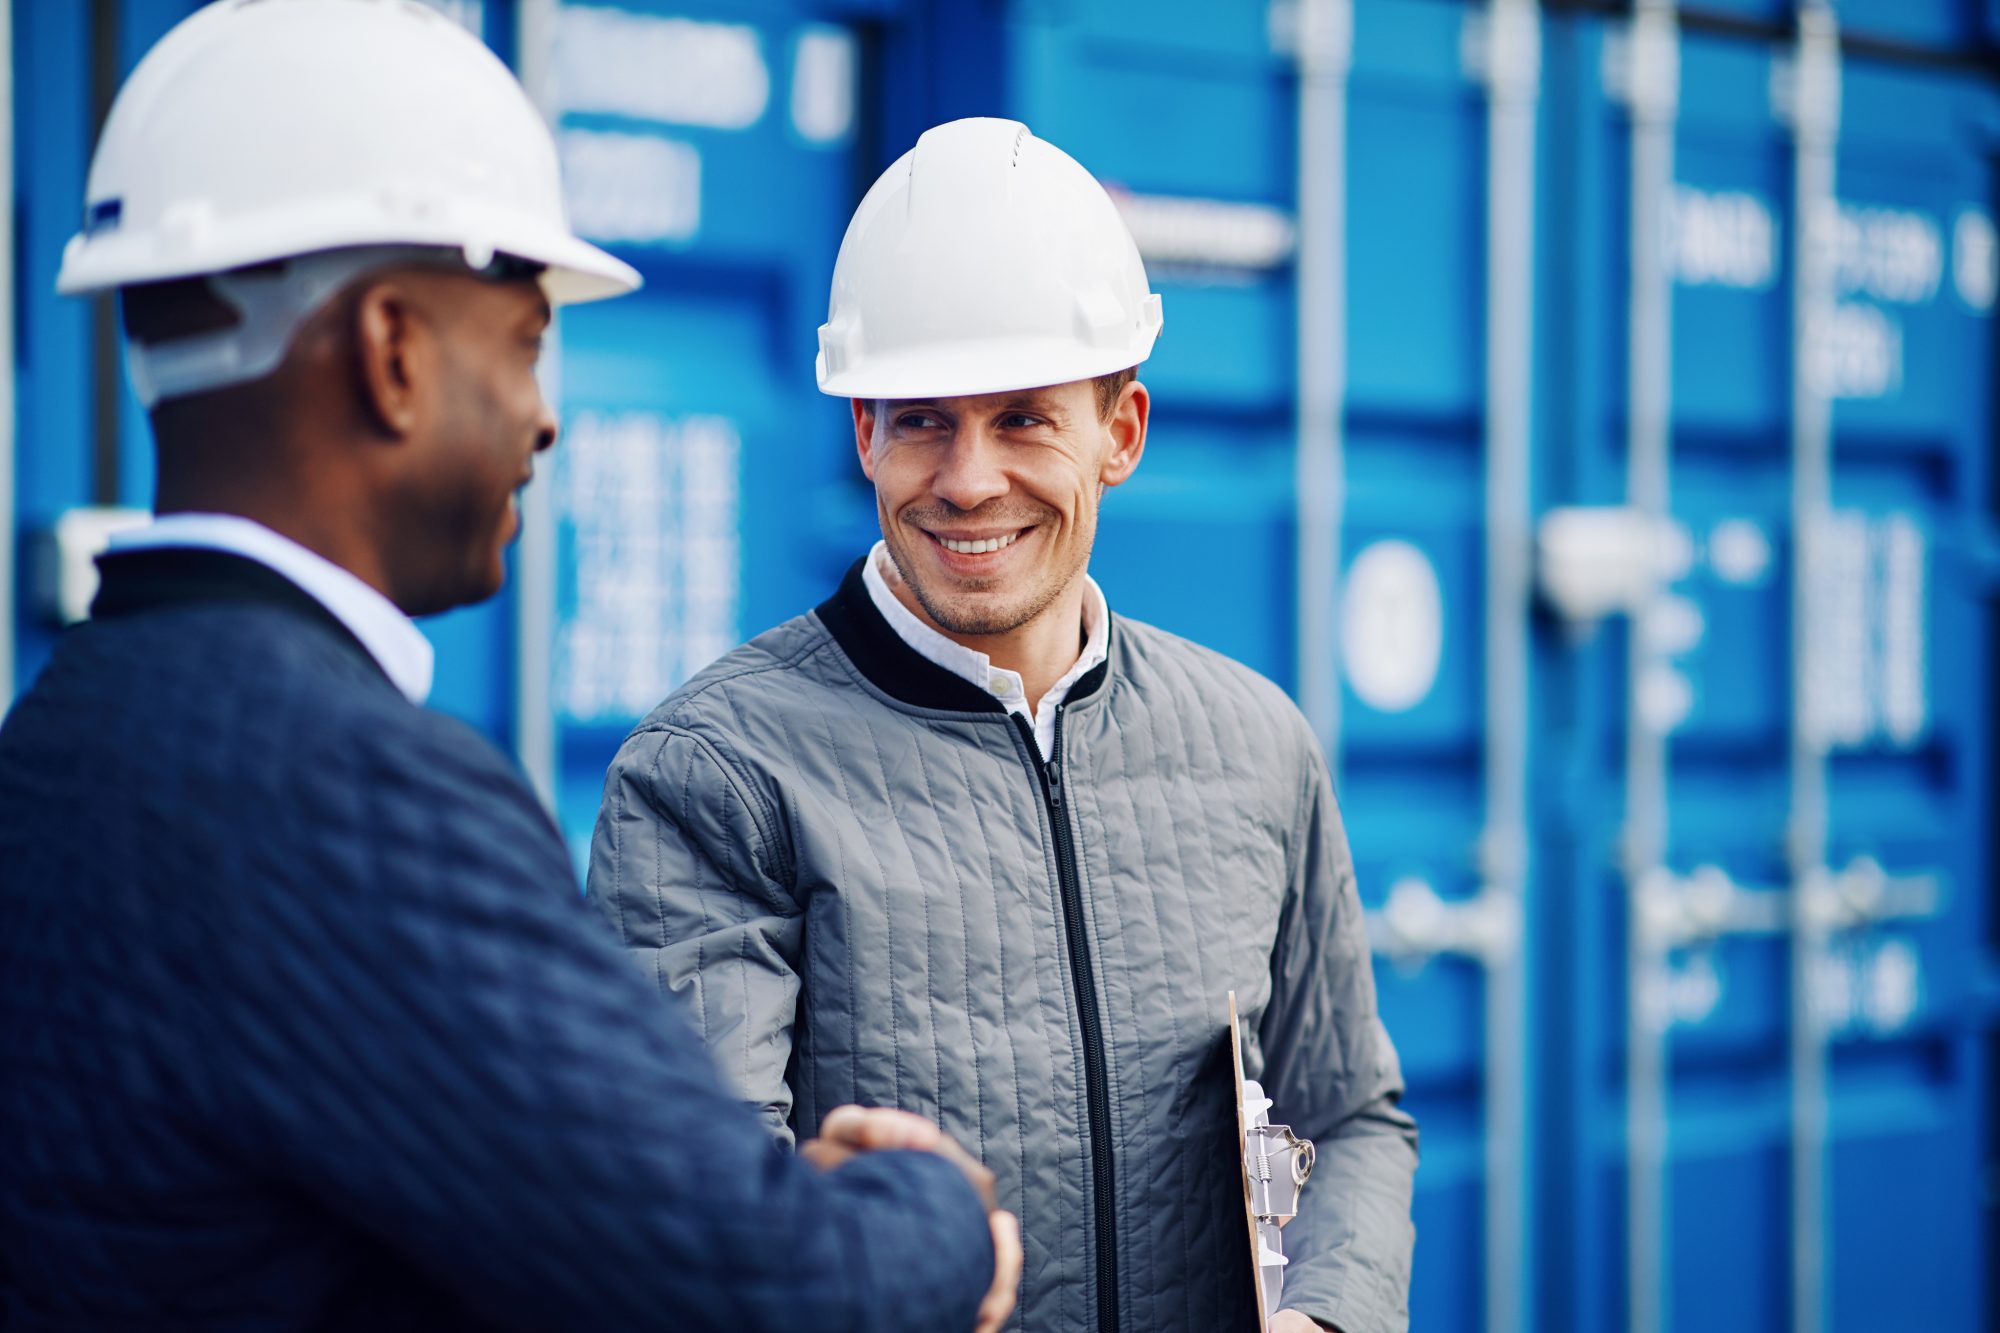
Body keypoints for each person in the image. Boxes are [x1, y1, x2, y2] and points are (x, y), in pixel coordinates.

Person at [0, 5, 1018, 1330]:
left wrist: (741, 1205)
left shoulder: (58, 736)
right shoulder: (347, 792)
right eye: (527, 340)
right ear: (393, 353)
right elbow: (763, 1289)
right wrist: (935, 1217)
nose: (545, 417)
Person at [588, 117, 1418, 1333]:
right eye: (922, 418)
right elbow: (681, 1225)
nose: (968, 478)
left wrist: (1327, 1316)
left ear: (1118, 434)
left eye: (1024, 417)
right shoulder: (715, 776)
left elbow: (1343, 1115)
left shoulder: (1253, 745)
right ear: (863, 432)